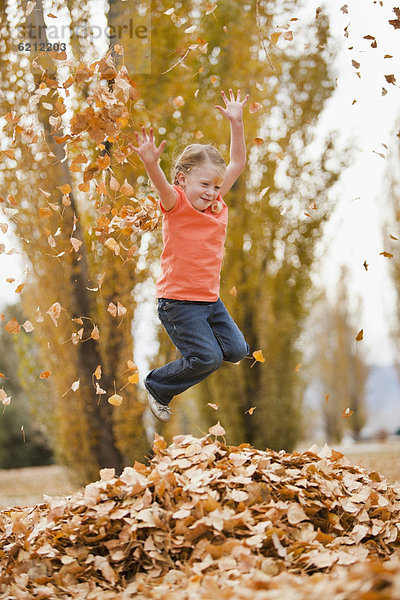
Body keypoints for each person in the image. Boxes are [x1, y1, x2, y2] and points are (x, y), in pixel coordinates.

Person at [131, 89, 250, 422]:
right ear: (183, 180)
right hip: (179, 302)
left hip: (210, 301)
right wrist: (151, 163)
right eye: (204, 185)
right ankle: (157, 385)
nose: (212, 192)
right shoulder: (177, 204)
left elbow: (238, 162)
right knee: (208, 358)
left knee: (238, 351)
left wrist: (236, 123)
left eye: (216, 185)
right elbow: (162, 187)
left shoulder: (215, 203)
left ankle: (191, 362)